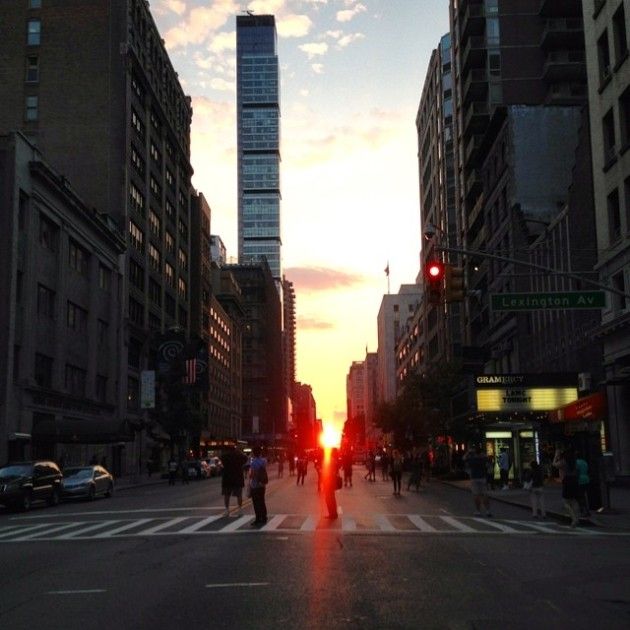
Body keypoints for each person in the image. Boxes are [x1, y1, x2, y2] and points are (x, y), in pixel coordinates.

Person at [464, 446, 492, 517]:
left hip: (474, 478)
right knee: (485, 494)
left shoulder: (472, 459)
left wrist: (468, 452)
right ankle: (488, 511)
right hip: (483, 477)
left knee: (476, 495)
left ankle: (478, 511)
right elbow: (489, 464)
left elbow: (464, 458)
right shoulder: (483, 458)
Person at [221, 447, 248, 517]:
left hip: (227, 477)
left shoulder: (225, 456)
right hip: (237, 477)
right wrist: (239, 452)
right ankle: (240, 509)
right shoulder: (239, 456)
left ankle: (227, 510)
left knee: (226, 495)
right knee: (239, 495)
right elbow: (246, 458)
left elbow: (221, 458)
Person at [556, 447, 579, 527]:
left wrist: (556, 456)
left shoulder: (564, 462)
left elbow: (554, 464)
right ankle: (577, 518)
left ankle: (574, 519)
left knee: (566, 501)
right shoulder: (575, 462)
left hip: (567, 480)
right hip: (575, 480)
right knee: (574, 500)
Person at [248, 446, 268, 525]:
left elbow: (252, 475)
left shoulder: (253, 463)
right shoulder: (263, 461)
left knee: (256, 503)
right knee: (262, 501)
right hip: (262, 484)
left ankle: (258, 518)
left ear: (254, 453)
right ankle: (264, 517)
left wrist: (251, 475)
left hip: (255, 485)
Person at [322, 449, 341, 519]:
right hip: (332, 481)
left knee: (328, 498)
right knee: (332, 498)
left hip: (329, 481)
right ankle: (334, 513)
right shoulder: (334, 460)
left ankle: (332, 514)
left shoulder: (329, 460)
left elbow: (327, 471)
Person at [576, 451, 590, 517]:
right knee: (584, 495)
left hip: (580, 480)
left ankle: (583, 510)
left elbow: (577, 471)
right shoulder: (585, 462)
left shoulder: (576, 462)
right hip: (586, 478)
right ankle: (586, 510)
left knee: (580, 496)